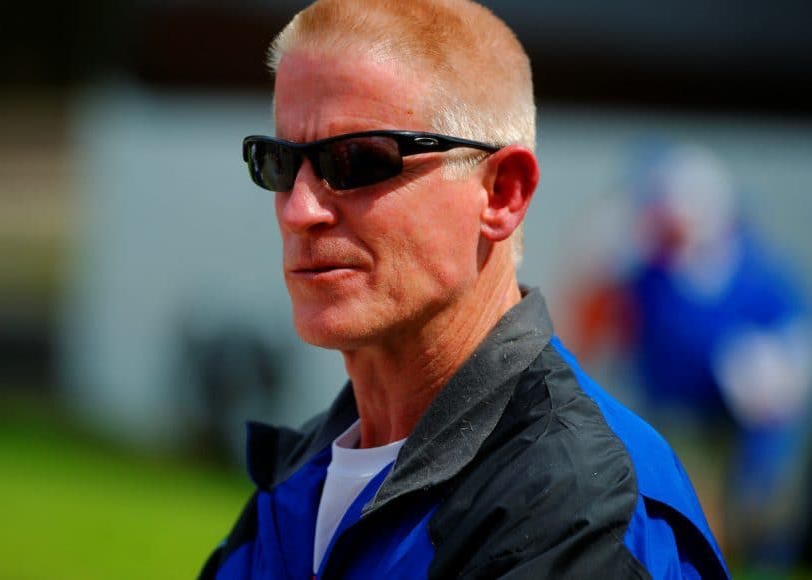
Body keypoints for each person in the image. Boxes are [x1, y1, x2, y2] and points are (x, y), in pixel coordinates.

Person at [202, 1, 729, 577]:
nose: (300, 210)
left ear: (502, 192)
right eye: (279, 163)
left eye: (356, 160)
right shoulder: (299, 480)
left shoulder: (580, 503)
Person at [564, 142, 812, 570]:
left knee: (739, 516)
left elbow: (780, 377)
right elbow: (591, 311)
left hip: (742, 423)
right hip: (667, 418)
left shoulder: (755, 280)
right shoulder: (639, 266)